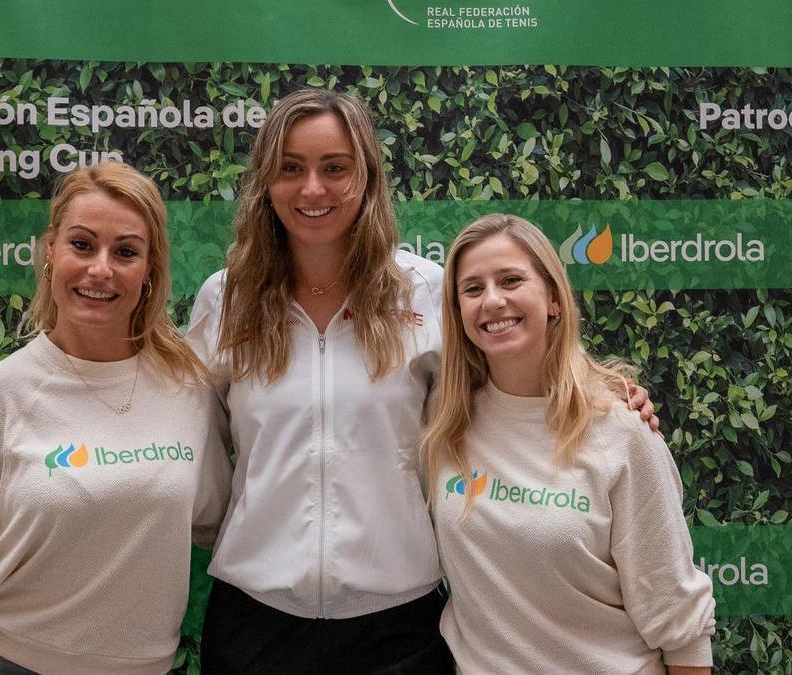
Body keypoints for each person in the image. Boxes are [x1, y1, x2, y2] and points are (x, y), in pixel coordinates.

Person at [187, 89, 658, 673]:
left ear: (367, 177)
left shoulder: (425, 291)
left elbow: (507, 384)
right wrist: (227, 527)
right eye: (291, 169)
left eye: (335, 168)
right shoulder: (226, 298)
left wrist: (600, 395)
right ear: (266, 182)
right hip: (255, 621)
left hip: (399, 627)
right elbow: (193, 436)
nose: (313, 189)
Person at [0, 161, 232, 674]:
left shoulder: (187, 390)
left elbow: (221, 522)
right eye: (82, 244)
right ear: (50, 251)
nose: (101, 268)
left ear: (149, 271)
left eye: (125, 251)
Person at [424, 214, 715, 674]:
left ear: (554, 298)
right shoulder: (444, 422)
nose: (493, 301)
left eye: (511, 280)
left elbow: (679, 622)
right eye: (472, 289)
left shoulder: (621, 431)